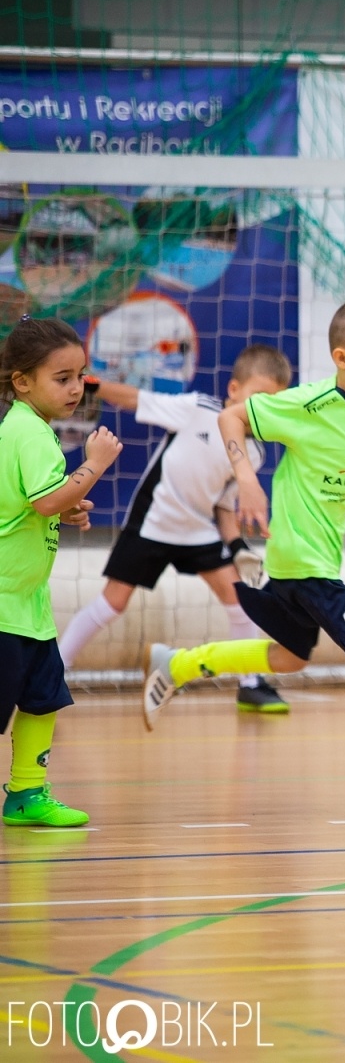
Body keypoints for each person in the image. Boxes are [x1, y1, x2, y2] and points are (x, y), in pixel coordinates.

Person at [142, 298, 345, 813]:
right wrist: (248, 482)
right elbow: (231, 420)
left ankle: (180, 664)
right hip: (303, 560)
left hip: (306, 560)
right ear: (342, 358)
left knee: (290, 658)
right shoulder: (307, 403)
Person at [58, 345, 294, 714]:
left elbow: (223, 505)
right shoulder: (199, 410)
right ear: (234, 390)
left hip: (198, 531)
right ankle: (54, 671)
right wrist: (91, 385)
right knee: (111, 604)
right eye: (260, 396)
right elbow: (138, 399)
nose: (265, 408)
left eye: (275, 402)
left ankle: (250, 683)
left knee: (242, 603)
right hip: (153, 522)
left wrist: (237, 549)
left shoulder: (257, 453)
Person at [1, 316, 122, 827]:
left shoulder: (36, 430)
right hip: (4, 603)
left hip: (29, 604)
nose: (76, 389)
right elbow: (47, 499)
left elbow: (39, 503)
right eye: (62, 378)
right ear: (22, 382)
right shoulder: (27, 430)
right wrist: (93, 465)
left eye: (81, 376)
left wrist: (68, 506)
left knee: (42, 698)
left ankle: (26, 793)